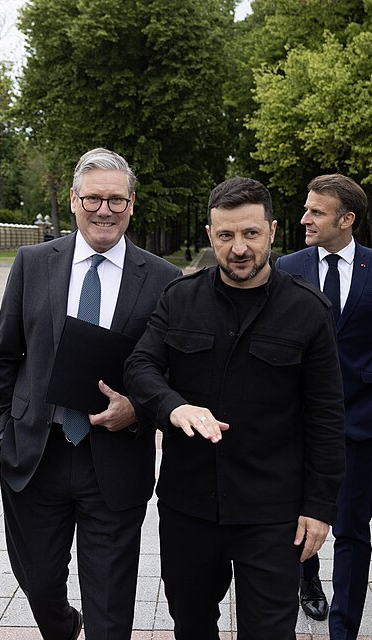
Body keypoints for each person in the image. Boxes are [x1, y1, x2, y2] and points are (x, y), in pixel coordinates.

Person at [125, 177, 346, 640]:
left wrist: (319, 507)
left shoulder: (308, 309)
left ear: (272, 231)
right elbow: (140, 366)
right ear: (210, 235)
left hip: (273, 513)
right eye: (226, 235)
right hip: (189, 507)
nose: (239, 248)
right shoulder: (179, 298)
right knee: (191, 625)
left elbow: (326, 417)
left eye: (251, 233)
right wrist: (174, 407)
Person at [0, 148, 181, 640]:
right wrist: (3, 428)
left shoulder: (163, 279)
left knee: (110, 607)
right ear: (74, 200)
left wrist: (137, 410)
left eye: (116, 200)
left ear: (132, 204)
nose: (104, 210)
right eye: (93, 198)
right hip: (37, 455)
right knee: (39, 584)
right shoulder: (33, 263)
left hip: (115, 461)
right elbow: (6, 355)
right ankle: (63, 624)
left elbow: (171, 374)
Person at [275, 174, 372, 638]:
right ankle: (307, 580)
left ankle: (345, 628)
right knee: (295, 516)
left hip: (359, 418)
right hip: (296, 420)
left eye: (316, 212)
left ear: (347, 220)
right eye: (307, 209)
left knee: (352, 528)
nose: (304, 219)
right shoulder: (288, 266)